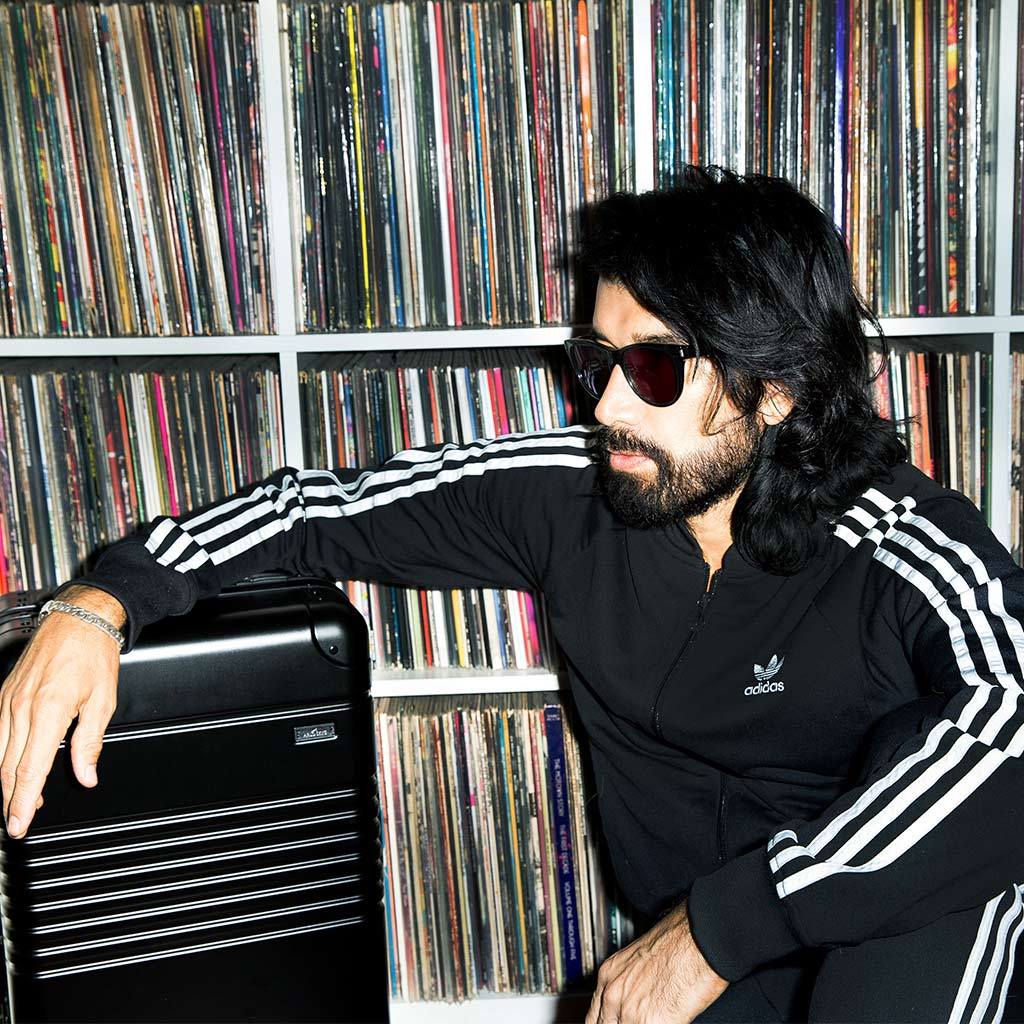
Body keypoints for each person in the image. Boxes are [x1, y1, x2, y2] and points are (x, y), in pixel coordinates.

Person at [2, 165, 1022, 1024]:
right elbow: (313, 508)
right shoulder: (574, 491)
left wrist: (724, 927)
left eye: (653, 368)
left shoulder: (894, 535)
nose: (607, 403)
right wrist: (97, 604)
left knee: (952, 811)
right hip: (697, 982)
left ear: (777, 389)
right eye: (597, 361)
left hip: (879, 951)